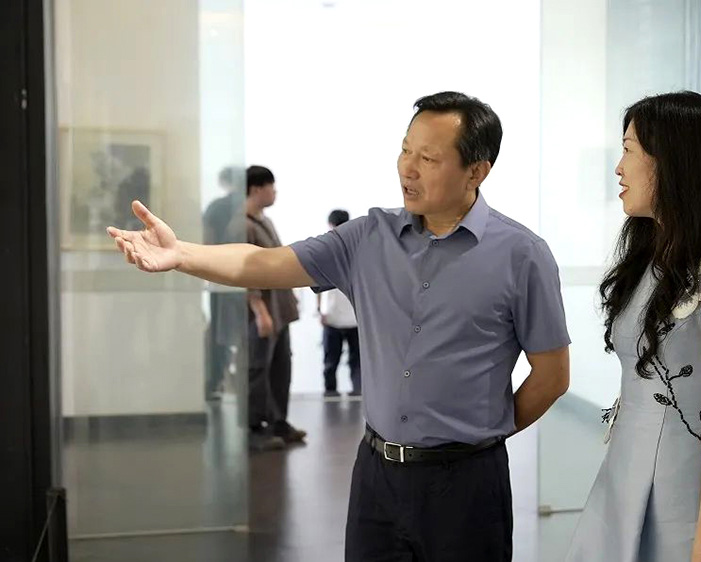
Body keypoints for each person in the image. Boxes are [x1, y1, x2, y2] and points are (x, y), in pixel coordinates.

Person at [106, 91, 571, 561]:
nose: (408, 168)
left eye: (428, 158)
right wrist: (181, 254)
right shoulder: (368, 237)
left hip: (468, 484)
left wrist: (480, 437)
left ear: (477, 171)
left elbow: (551, 376)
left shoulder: (522, 255)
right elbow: (264, 262)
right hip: (376, 477)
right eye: (405, 150)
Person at [565, 92, 701, 562]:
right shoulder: (655, 259)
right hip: (624, 482)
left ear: (673, 162)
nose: (618, 168)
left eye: (629, 150)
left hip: (692, 501)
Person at [238, 165, 306, 450]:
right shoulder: (244, 226)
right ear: (257, 189)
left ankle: (279, 422)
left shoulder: (264, 221)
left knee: (281, 367)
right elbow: (244, 271)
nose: (275, 192)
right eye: (272, 187)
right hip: (263, 312)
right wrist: (259, 310)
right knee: (258, 369)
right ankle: (254, 428)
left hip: (279, 309)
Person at [202, 166, 245, 400]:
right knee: (239, 335)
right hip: (240, 280)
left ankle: (216, 382)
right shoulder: (240, 207)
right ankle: (223, 382)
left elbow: (207, 241)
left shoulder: (217, 207)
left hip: (221, 279)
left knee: (220, 335)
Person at [316, 209, 361, 397]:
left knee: (331, 361)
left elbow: (316, 284)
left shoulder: (325, 249)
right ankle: (357, 393)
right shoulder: (359, 249)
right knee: (355, 361)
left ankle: (331, 394)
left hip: (336, 316)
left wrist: (319, 310)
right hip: (351, 317)